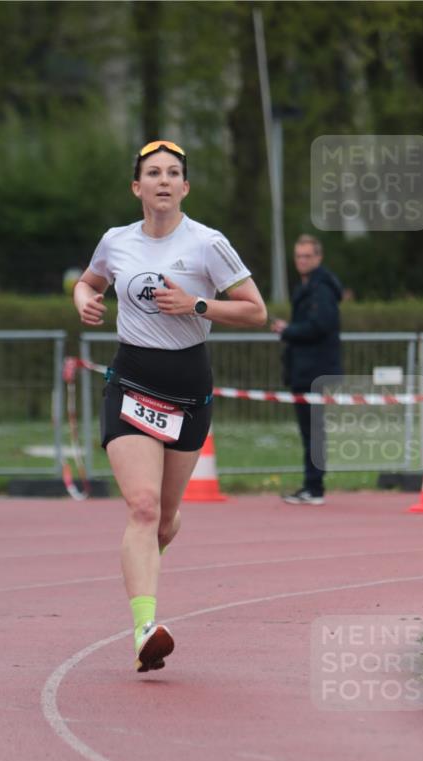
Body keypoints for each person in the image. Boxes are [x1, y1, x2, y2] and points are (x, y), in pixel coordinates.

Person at [73, 139, 267, 673]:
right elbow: (89, 282)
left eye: (173, 173)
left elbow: (257, 311)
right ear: (137, 187)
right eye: (152, 172)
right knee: (142, 507)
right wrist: (84, 299)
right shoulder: (116, 241)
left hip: (187, 389)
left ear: (185, 187)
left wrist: (197, 304)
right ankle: (144, 629)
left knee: (164, 520)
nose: (163, 180)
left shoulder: (208, 244)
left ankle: (146, 584)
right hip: (132, 380)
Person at [271, 234, 343, 505]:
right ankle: (312, 485)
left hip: (316, 370)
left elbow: (320, 325)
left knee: (313, 430)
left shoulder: (320, 288)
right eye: (298, 256)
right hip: (305, 368)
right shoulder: (308, 286)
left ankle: (314, 487)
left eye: (307, 256)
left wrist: (288, 330)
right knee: (310, 429)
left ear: (318, 257)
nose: (302, 261)